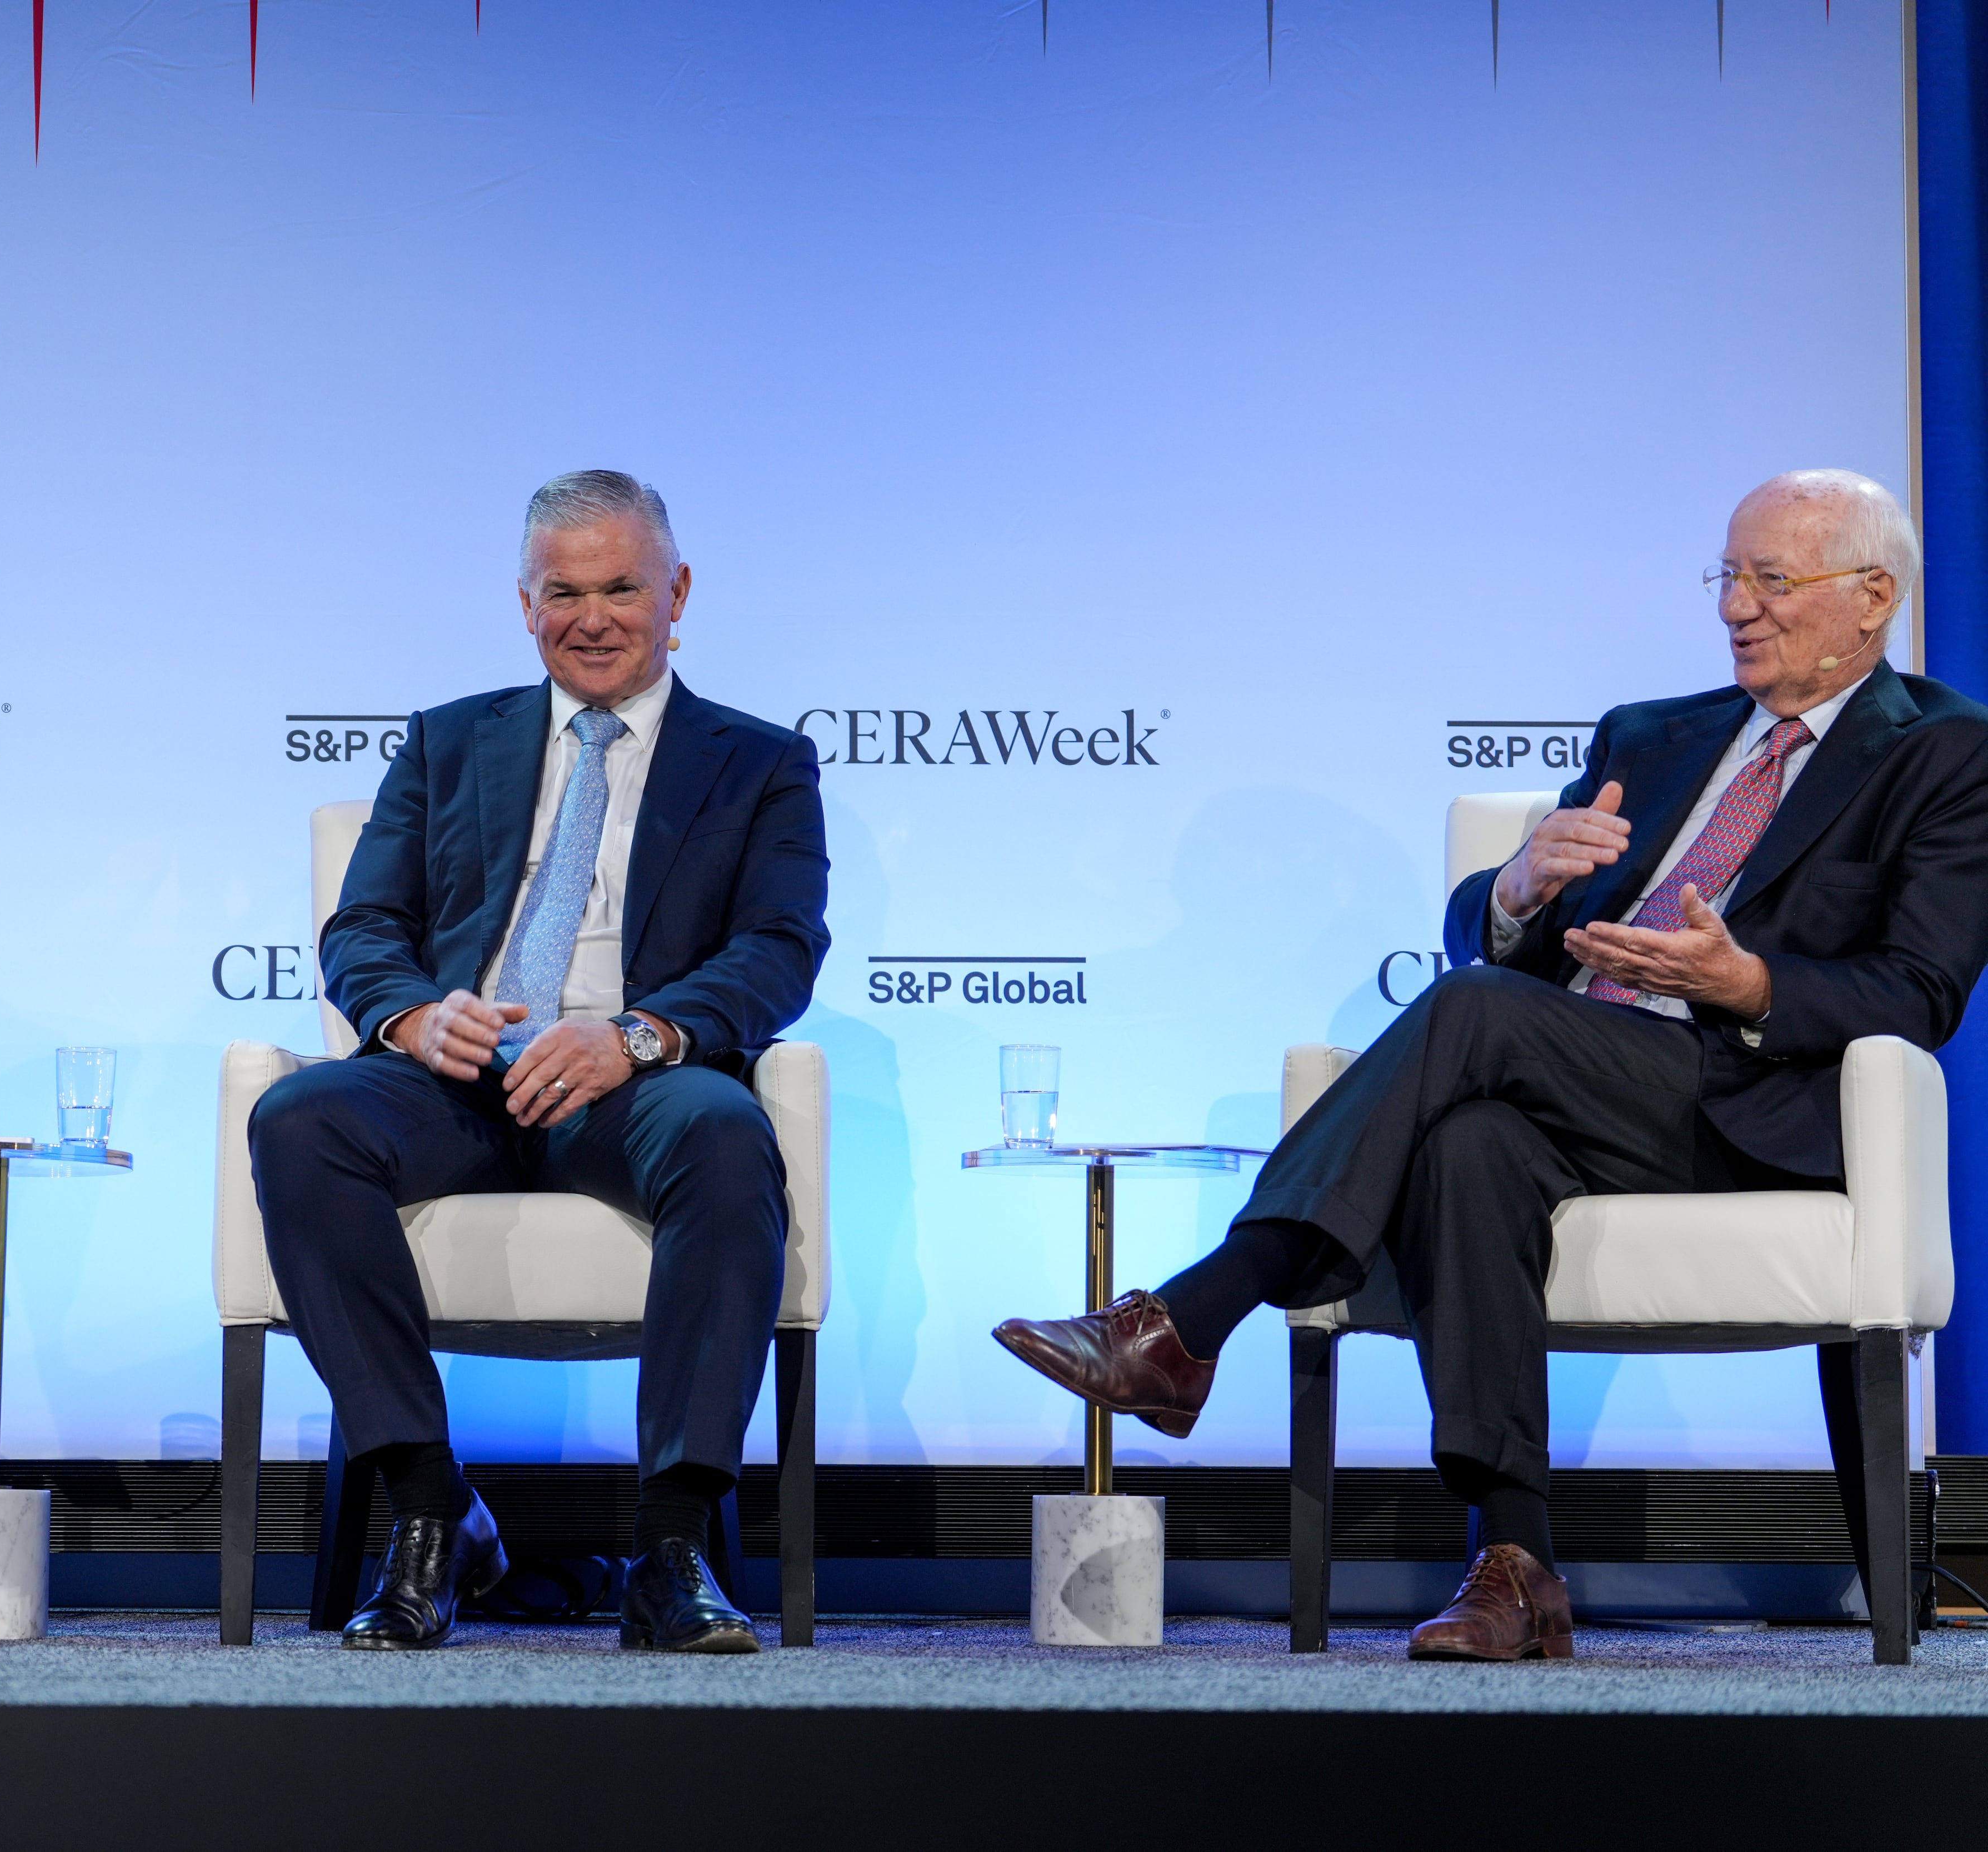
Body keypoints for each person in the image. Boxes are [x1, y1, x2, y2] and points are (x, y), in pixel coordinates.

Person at [995, 470, 1988, 1661]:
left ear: (1872, 596)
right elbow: (1485, 927)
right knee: (1466, 1139)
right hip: (1570, 1080)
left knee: (1472, 1012)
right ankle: (1515, 1565)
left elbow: (1919, 992)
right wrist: (1517, 886)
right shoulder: (1652, 734)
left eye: (1772, 580)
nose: (1737, 606)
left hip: (1744, 1101)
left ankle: (1194, 1315)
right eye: (1726, 575)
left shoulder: (1943, 751)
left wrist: (1746, 984)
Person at [249, 470, 830, 1652]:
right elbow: (362, 930)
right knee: (299, 1117)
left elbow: (777, 949)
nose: (594, 615)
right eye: (564, 591)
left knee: (727, 1132)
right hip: (459, 1078)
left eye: (621, 586)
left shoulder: (760, 761)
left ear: (676, 591)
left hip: (636, 1081)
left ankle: (672, 1546)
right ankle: (429, 1509)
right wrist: (412, 1016)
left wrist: (634, 1035)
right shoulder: (448, 740)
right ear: (524, 604)